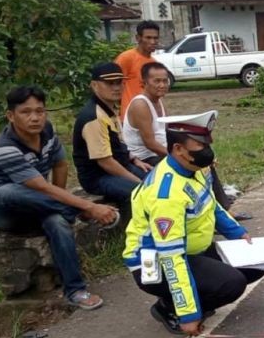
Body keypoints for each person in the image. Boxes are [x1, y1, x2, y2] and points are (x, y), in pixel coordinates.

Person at [123, 111, 264, 336]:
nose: (208, 149)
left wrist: (236, 232)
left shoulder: (196, 169)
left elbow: (212, 204)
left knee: (257, 263)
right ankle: (169, 308)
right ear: (178, 149)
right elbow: (171, 257)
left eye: (208, 142)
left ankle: (195, 296)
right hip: (155, 262)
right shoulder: (166, 195)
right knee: (232, 283)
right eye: (201, 145)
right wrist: (189, 313)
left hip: (193, 250)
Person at [0, 86, 118, 309]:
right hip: (6, 212)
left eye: (40, 111)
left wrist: (60, 205)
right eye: (26, 112)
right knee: (7, 191)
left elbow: (60, 164)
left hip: (38, 205)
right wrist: (85, 206)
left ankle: (75, 291)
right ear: (11, 116)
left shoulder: (46, 131)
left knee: (57, 222)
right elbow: (40, 187)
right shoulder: (4, 147)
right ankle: (79, 212)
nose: (35, 118)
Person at [122, 62, 251, 219]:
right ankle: (213, 215)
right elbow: (150, 144)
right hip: (146, 158)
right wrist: (181, 157)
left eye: (165, 80)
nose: (162, 85)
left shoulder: (159, 102)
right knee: (195, 166)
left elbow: (171, 132)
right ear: (144, 83)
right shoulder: (140, 105)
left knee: (204, 160)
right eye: (156, 81)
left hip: (162, 151)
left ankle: (221, 211)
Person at [73, 63, 152, 210]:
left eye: (119, 83)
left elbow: (116, 143)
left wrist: (134, 159)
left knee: (158, 180)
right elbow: (105, 162)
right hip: (98, 177)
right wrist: (137, 181)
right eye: (109, 83)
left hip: (121, 164)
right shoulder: (94, 117)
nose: (116, 88)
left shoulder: (109, 107)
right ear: (94, 85)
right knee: (141, 192)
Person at [115, 21, 161, 121]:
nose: (152, 42)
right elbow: (114, 86)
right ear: (138, 38)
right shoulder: (126, 58)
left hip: (149, 116)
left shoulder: (154, 63)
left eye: (155, 38)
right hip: (130, 117)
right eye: (148, 38)